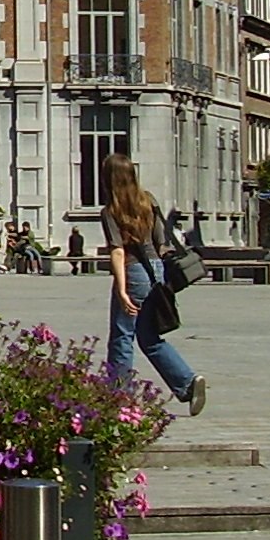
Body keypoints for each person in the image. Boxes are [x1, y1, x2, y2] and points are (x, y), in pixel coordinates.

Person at [99, 153, 205, 416]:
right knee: (150, 337)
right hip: (155, 270)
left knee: (122, 336)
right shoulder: (149, 201)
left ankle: (117, 398)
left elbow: (118, 251)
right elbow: (161, 242)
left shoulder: (111, 210)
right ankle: (188, 383)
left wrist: (122, 290)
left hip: (133, 273)